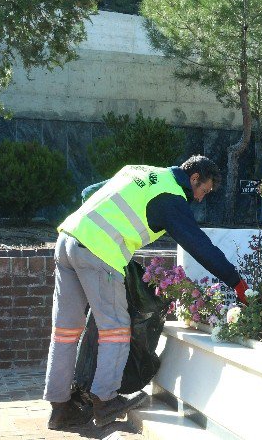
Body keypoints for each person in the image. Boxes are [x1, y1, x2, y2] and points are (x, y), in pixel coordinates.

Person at [44, 155, 249, 430]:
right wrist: (237, 283)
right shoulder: (172, 198)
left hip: (68, 240)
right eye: (204, 190)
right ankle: (105, 402)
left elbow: (89, 192)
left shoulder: (139, 170)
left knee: (65, 331)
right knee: (116, 328)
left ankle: (60, 409)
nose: (201, 198)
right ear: (194, 178)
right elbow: (199, 246)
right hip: (99, 252)